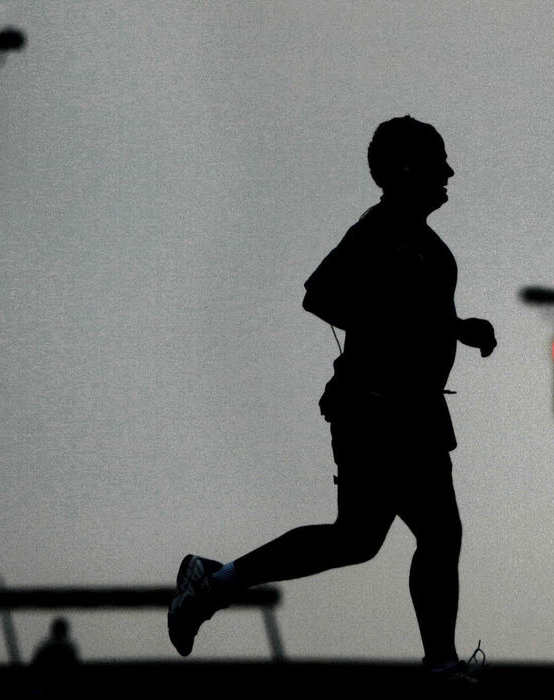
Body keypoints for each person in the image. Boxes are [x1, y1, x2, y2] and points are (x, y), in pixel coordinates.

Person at [168, 115, 496, 683]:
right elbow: (319, 295)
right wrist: (388, 336)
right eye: (437, 159)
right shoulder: (380, 228)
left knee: (372, 539)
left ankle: (213, 580)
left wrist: (460, 327)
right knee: (419, 535)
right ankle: (440, 664)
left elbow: (421, 315)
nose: (449, 171)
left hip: (414, 412)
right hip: (376, 410)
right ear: (404, 170)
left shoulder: (431, 249)